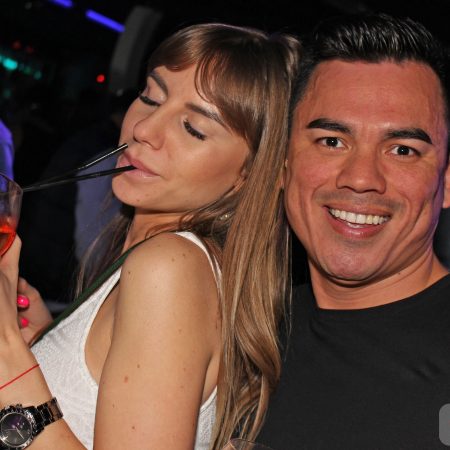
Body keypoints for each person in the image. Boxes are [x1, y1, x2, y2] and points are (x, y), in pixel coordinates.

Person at [0, 23, 299, 450]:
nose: (144, 128)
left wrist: (10, 360)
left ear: (249, 175)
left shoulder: (168, 267)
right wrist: (50, 346)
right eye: (151, 97)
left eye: (193, 128)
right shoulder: (162, 260)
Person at [257, 12, 450, 449]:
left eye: (402, 150)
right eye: (331, 141)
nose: (361, 178)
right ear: (282, 164)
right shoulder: (238, 332)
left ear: (447, 180)